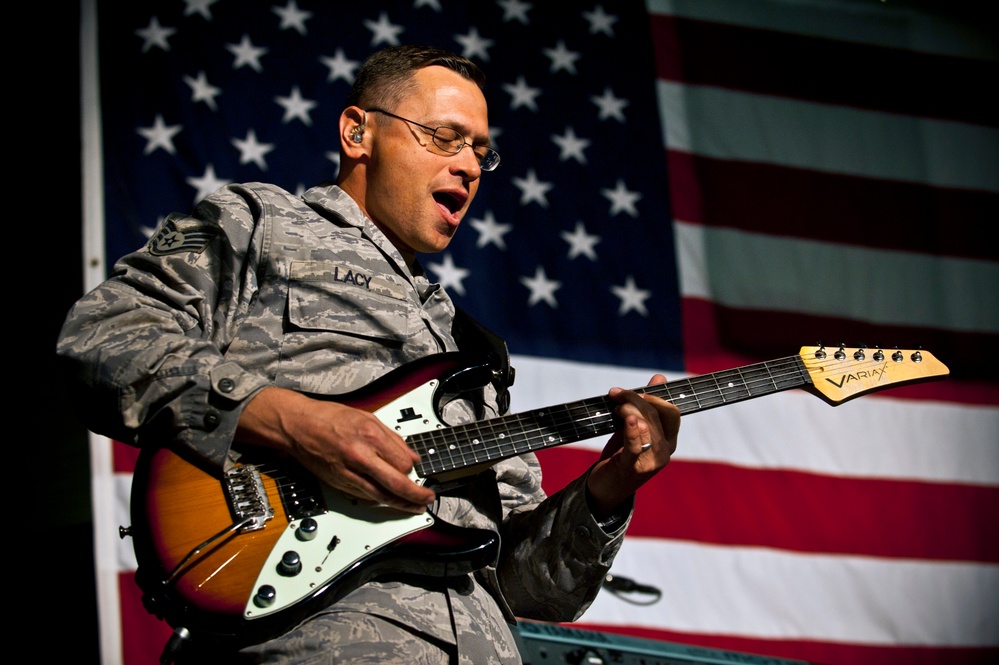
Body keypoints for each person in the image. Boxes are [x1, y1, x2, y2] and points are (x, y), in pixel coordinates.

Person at [57, 44, 680, 664]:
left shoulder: (475, 350)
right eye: (444, 137)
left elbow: (532, 587)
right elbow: (101, 340)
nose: (468, 165)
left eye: (481, 152)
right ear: (358, 133)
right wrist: (296, 423)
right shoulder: (261, 224)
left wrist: (608, 489)